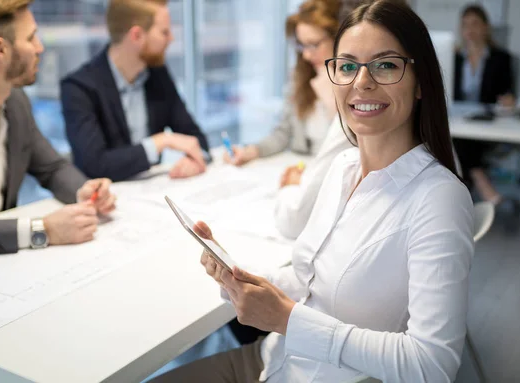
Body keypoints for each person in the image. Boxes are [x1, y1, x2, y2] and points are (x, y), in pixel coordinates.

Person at [152, 1, 474, 382]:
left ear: (421, 82)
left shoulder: (438, 199)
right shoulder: (341, 169)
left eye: (386, 64)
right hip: (272, 360)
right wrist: (237, 274)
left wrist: (288, 320)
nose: (361, 82)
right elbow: (310, 285)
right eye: (348, 66)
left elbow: (431, 365)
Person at [0, 0, 116, 257]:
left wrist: (83, 190)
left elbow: (52, 167)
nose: (40, 47)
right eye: (31, 38)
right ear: (0, 50)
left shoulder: (14, 99)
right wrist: (41, 230)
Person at [61, 0, 210, 182]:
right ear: (137, 35)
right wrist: (161, 141)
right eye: (164, 32)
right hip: (103, 200)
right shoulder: (79, 87)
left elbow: (195, 138)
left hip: (153, 194)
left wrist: (193, 159)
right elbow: (95, 165)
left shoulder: (157, 75)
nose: (171, 38)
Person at [223, 0, 340, 167]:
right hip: (303, 166)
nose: (306, 55)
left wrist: (331, 101)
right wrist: (251, 151)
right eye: (302, 45)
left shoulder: (357, 81)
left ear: (337, 37)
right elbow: (283, 133)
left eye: (313, 44)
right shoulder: (300, 75)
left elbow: (352, 144)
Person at [452, 4, 520, 215]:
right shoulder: (454, 58)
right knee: (456, 137)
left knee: (460, 142)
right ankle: (487, 194)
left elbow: (507, 93)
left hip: (488, 121)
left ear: (485, 27)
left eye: (474, 24)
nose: (469, 30)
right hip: (457, 119)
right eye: (465, 25)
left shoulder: (501, 58)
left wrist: (508, 99)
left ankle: (471, 192)